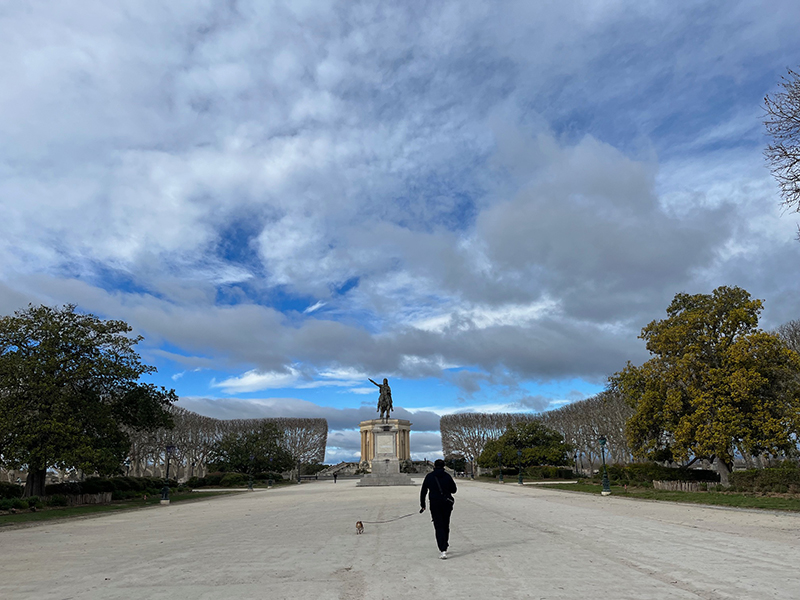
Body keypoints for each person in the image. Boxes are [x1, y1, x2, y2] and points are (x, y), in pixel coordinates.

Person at [420, 459, 457, 559]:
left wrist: (422, 504)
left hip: (435, 504)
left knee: (438, 525)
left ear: (434, 466)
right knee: (446, 524)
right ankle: (445, 543)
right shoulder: (447, 476)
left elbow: (423, 491)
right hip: (446, 503)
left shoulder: (429, 476)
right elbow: (454, 490)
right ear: (444, 466)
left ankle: (442, 549)